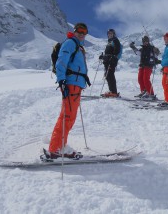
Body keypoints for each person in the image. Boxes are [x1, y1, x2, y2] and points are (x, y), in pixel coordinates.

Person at [45, 23, 90, 159]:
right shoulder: (70, 43)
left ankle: (59, 146)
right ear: (74, 31)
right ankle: (56, 149)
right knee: (67, 117)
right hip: (71, 85)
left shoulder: (77, 45)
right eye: (79, 31)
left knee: (68, 117)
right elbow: (61, 61)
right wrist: (62, 80)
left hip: (75, 85)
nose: (81, 34)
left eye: (84, 32)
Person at [130, 35, 160, 100]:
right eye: (144, 41)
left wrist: (156, 50)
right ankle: (144, 92)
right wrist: (133, 47)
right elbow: (138, 53)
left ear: (148, 41)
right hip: (142, 65)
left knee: (146, 79)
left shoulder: (151, 48)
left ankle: (150, 94)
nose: (145, 42)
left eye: (146, 41)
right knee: (140, 79)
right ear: (143, 42)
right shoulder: (142, 49)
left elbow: (157, 54)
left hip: (148, 66)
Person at [99, 29, 121, 97]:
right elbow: (108, 53)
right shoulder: (109, 42)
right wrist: (102, 57)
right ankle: (111, 91)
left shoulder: (115, 40)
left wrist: (113, 57)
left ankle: (114, 91)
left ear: (113, 34)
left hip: (112, 61)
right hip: (107, 61)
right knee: (107, 75)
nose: (109, 34)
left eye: (111, 33)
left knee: (110, 75)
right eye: (108, 33)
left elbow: (117, 50)